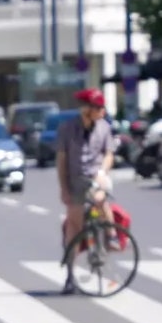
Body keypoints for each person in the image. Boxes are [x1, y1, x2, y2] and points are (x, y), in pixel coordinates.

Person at [55, 88, 116, 294]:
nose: (102, 111)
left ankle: (111, 234)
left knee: (100, 198)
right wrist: (64, 188)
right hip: (76, 181)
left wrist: (102, 171)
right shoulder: (67, 129)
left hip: (97, 177)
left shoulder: (104, 127)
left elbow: (109, 154)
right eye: (98, 107)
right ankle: (70, 276)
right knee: (74, 227)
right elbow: (62, 161)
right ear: (87, 110)